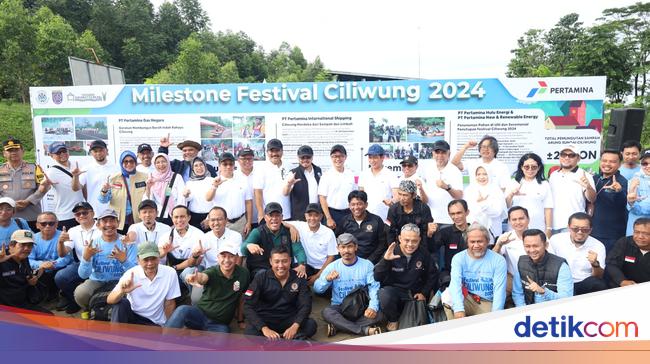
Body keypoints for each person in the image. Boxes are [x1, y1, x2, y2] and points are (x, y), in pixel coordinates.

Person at [165, 245, 250, 333]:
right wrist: (196, 278)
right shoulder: (212, 271)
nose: (227, 260)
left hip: (219, 324)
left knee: (223, 339)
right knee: (182, 310)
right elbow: (204, 277)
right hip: (200, 315)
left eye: (231, 256)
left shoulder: (243, 274)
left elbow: (242, 298)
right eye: (223, 256)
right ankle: (163, 340)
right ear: (218, 258)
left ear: (236, 258)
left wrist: (240, 320)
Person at [314, 233, 383, 337]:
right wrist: (327, 279)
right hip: (340, 307)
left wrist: (372, 307)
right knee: (327, 312)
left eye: (350, 246)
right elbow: (317, 289)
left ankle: (339, 326)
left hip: (361, 306)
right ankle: (364, 330)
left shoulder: (367, 265)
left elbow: (374, 287)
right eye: (343, 247)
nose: (346, 251)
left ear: (356, 247)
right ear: (338, 248)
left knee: (380, 313)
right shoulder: (332, 266)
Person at [243, 246, 317, 340]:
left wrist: (295, 326)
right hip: (267, 319)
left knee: (311, 325)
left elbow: (305, 305)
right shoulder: (261, 278)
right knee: (250, 331)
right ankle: (293, 341)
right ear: (270, 261)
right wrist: (264, 329)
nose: (281, 265)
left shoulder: (299, 278)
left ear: (290, 261)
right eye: (277, 261)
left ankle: (277, 342)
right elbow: (247, 305)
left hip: (289, 318)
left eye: (284, 261)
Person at [374, 224, 436, 331]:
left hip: (414, 294)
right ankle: (393, 319)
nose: (410, 244)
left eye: (414, 241)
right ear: (399, 239)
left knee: (413, 330)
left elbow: (432, 274)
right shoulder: (391, 252)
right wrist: (385, 260)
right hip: (394, 292)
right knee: (384, 294)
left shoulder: (423, 253)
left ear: (419, 239)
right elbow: (377, 277)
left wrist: (424, 293)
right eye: (406, 240)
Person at [74, 209, 138, 313]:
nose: (109, 224)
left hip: (120, 280)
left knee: (132, 294)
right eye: (105, 221)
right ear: (98, 225)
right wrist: (86, 258)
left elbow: (135, 273)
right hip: (97, 280)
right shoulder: (92, 244)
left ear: (117, 223)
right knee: (81, 293)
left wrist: (124, 260)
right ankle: (92, 309)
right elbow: (83, 275)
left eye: (112, 220)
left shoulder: (127, 243)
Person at [443, 223, 507, 320]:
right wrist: (458, 309)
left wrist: (496, 315)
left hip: (487, 301)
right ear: (467, 242)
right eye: (472, 242)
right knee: (447, 296)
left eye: (480, 241)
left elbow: (499, 290)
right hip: (467, 297)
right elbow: (455, 284)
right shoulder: (459, 258)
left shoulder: (498, 260)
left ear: (487, 241)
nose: (476, 245)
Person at [107, 242, 180, 326]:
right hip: (133, 316)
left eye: (153, 258)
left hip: (154, 322)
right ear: (138, 260)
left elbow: (170, 303)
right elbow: (110, 299)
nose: (150, 263)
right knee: (120, 303)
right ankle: (115, 337)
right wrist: (122, 291)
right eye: (146, 260)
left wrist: (166, 328)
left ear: (159, 257)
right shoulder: (131, 273)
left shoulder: (170, 273)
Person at [241, 202, 307, 278]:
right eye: (271, 216)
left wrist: (302, 265)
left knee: (301, 275)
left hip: (283, 268)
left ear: (282, 217)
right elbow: (243, 249)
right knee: (261, 277)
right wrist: (248, 245)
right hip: (262, 269)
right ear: (265, 218)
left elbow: (298, 250)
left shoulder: (289, 231)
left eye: (277, 215)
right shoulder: (258, 232)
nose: (274, 218)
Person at [548, 212, 607, 295]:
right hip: (560, 281)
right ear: (568, 227)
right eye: (575, 229)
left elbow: (599, 276)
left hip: (583, 282)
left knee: (599, 284)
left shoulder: (598, 246)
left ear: (590, 230)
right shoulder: (556, 240)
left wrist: (595, 264)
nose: (580, 232)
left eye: (584, 229)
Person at [55, 201, 98, 314]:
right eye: (78, 214)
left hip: (100, 263)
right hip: (83, 263)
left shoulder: (102, 226)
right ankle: (75, 300)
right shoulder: (73, 230)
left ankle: (96, 302)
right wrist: (60, 242)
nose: (81, 216)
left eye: (84, 212)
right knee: (60, 277)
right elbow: (63, 254)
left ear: (93, 213)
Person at [511, 229, 573, 307]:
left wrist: (543, 292)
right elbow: (517, 293)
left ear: (546, 245)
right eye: (527, 246)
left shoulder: (561, 266)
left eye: (535, 246)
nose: (532, 250)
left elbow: (566, 299)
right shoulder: (521, 262)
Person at [283, 203, 337, 285]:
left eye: (316, 215)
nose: (312, 218)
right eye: (310, 215)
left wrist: (317, 276)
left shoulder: (328, 233)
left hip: (321, 268)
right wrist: (292, 227)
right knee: (294, 282)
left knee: (320, 289)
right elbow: (281, 222)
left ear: (321, 216)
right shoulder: (300, 225)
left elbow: (331, 257)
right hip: (305, 265)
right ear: (305, 216)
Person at [0, 230, 51, 314]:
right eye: (22, 245)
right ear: (11, 245)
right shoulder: (2, 259)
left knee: (50, 318)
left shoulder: (23, 258)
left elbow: (24, 278)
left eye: (30, 245)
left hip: (22, 304)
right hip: (5, 309)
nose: (27, 248)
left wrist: (33, 280)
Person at [0, 137, 46, 231]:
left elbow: (44, 187)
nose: (13, 152)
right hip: (6, 218)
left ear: (22, 151)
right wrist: (9, 204)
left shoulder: (35, 168)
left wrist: (29, 201)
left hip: (31, 216)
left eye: (16, 149)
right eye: (10, 150)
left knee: (32, 243)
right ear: (4, 154)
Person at [548, 145, 596, 234]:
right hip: (552, 225)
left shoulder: (584, 175)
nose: (566, 157)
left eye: (571, 155)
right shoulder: (553, 175)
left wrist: (588, 187)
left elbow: (592, 199)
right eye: (563, 154)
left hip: (573, 226)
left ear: (578, 158)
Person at [99, 151, 149, 234]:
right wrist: (104, 190)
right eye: (125, 161)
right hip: (119, 221)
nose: (129, 164)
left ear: (135, 163)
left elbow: (149, 197)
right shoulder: (113, 178)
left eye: (131, 161)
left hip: (138, 219)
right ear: (121, 163)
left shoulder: (145, 177)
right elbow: (103, 200)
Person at [205, 152, 253, 237]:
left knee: (239, 248)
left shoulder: (242, 180)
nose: (228, 167)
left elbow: (248, 202)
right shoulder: (213, 181)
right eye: (225, 164)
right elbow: (208, 198)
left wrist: (249, 222)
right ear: (219, 166)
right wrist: (215, 186)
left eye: (231, 164)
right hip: (221, 224)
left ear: (234, 165)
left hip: (240, 222)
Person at [29, 212, 72, 303]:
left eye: (51, 223)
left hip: (58, 268)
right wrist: (42, 264)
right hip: (41, 269)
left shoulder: (64, 236)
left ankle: (65, 296)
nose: (47, 226)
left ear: (56, 224)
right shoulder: (32, 239)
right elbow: (29, 259)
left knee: (62, 274)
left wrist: (53, 264)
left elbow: (66, 258)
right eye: (43, 223)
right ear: (37, 225)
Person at [506, 153, 553, 234]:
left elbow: (548, 208)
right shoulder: (513, 183)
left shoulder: (544, 184)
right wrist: (511, 194)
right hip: (516, 227)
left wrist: (548, 229)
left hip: (538, 226)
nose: (530, 170)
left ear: (539, 168)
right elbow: (507, 206)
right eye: (526, 167)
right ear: (521, 167)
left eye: (534, 167)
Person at [335, 190, 387, 264]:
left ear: (366, 205)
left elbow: (382, 244)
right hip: (349, 261)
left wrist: (370, 261)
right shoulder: (344, 221)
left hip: (371, 261)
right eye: (353, 204)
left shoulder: (376, 220)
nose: (356, 207)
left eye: (359, 204)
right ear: (349, 205)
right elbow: (338, 241)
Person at [41, 142, 85, 230]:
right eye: (58, 153)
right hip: (64, 216)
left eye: (64, 151)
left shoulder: (77, 165)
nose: (62, 154)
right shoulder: (51, 172)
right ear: (51, 155)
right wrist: (44, 185)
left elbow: (79, 187)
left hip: (81, 214)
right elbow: (42, 189)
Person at [491, 206, 530, 306]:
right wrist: (499, 244)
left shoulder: (538, 235)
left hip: (535, 278)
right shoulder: (506, 237)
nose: (518, 222)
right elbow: (491, 260)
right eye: (514, 219)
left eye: (521, 218)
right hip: (512, 279)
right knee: (496, 299)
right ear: (509, 221)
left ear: (528, 219)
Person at [591, 150, 628, 252]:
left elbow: (623, 204)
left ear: (619, 164)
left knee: (607, 264)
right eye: (604, 160)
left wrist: (619, 191)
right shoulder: (594, 178)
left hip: (610, 234)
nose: (607, 164)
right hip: (591, 230)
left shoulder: (621, 181)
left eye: (612, 161)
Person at [421, 140, 463, 226]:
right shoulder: (428, 169)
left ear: (449, 154)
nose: (440, 155)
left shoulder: (455, 171)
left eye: (443, 152)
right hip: (431, 220)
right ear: (433, 153)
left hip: (449, 220)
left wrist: (447, 187)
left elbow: (459, 196)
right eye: (437, 152)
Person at [157, 205, 204, 281]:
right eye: (176, 217)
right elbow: (158, 256)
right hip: (172, 269)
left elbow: (196, 262)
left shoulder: (199, 235)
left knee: (190, 272)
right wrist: (165, 251)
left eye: (182, 217)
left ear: (189, 218)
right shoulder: (165, 236)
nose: (179, 220)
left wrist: (175, 268)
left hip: (192, 268)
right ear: (172, 218)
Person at [73, 139, 119, 214]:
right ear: (91, 153)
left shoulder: (116, 168)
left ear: (106, 151)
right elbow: (76, 188)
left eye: (101, 150)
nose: (98, 153)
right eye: (95, 151)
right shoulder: (86, 169)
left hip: (114, 211)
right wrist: (75, 177)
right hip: (94, 211)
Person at [432, 199, 471, 289]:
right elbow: (432, 248)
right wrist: (429, 235)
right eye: (452, 214)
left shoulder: (476, 231)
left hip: (472, 274)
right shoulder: (444, 232)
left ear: (467, 212)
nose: (456, 217)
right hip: (450, 274)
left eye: (459, 213)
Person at [318, 144, 357, 229]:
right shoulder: (326, 175)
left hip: (348, 213)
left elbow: (354, 196)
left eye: (341, 156)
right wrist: (328, 218)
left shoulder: (351, 174)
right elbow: (322, 198)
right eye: (334, 156)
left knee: (348, 240)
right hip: (331, 214)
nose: (338, 159)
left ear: (345, 157)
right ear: (331, 158)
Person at [464, 165, 507, 240]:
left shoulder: (496, 190)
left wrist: (483, 204)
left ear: (489, 175)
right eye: (478, 174)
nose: (481, 177)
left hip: (493, 230)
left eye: (485, 174)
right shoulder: (469, 190)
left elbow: (497, 212)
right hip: (474, 230)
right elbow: (467, 212)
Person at [386, 180, 434, 246]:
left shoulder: (423, 208)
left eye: (405, 195)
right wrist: (393, 249)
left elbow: (426, 232)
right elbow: (390, 232)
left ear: (413, 195)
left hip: (419, 245)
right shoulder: (393, 209)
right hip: (400, 246)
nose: (402, 198)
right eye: (400, 194)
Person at [358, 144, 398, 221]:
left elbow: (397, 196)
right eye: (370, 157)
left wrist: (392, 201)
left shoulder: (390, 174)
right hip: (366, 216)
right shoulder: (363, 174)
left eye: (375, 157)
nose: (372, 161)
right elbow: (361, 195)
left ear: (382, 158)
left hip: (385, 217)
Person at [605, 218, 650, 287]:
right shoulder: (624, 242)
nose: (640, 237)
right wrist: (622, 281)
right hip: (622, 286)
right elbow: (611, 264)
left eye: (646, 234)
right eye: (637, 232)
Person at [254, 139, 291, 221]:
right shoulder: (260, 168)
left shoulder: (289, 166)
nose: (274, 154)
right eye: (271, 151)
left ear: (282, 151)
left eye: (277, 150)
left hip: (287, 214)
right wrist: (260, 213)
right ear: (267, 152)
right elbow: (258, 193)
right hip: (268, 215)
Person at [144, 153, 186, 224]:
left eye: (163, 161)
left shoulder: (176, 177)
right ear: (154, 164)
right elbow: (148, 200)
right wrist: (148, 187)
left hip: (174, 215)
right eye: (158, 162)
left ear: (168, 162)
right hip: (157, 215)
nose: (161, 165)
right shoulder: (152, 178)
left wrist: (179, 215)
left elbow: (181, 198)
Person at [284, 145, 322, 221]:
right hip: (300, 216)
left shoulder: (318, 170)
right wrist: (289, 184)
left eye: (308, 157)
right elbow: (285, 193)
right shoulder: (293, 173)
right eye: (302, 157)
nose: (305, 160)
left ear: (312, 157)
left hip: (316, 215)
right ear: (298, 158)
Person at [183, 157, 214, 231]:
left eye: (201, 165)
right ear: (192, 168)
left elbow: (216, 201)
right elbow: (190, 198)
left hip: (210, 215)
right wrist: (186, 195)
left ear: (205, 166)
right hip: (193, 217)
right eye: (196, 165)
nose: (199, 167)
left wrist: (208, 218)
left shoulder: (212, 181)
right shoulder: (189, 183)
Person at [626, 149, 650, 235]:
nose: (648, 166)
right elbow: (634, 209)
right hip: (637, 232)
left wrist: (644, 204)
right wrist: (631, 202)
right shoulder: (633, 181)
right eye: (645, 163)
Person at [236, 148, 259, 227]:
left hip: (260, 218)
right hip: (241, 221)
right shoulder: (234, 176)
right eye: (244, 159)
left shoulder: (260, 174)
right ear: (238, 160)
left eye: (250, 158)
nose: (247, 161)